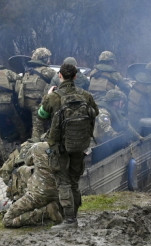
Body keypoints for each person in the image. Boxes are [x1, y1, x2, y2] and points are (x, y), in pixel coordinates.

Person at [37, 62, 98, 229]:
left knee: (63, 181)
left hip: (59, 147)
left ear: (60, 76)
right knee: (74, 181)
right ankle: (74, 215)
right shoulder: (85, 95)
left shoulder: (53, 97)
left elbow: (41, 115)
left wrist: (47, 95)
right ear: (76, 76)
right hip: (80, 144)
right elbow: (96, 112)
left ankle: (70, 220)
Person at [3, 141, 62, 228]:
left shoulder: (37, 146)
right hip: (59, 192)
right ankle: (55, 209)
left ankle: (45, 212)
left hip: (38, 194)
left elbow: (28, 162)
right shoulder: (62, 148)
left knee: (7, 220)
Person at [17, 47, 56, 141]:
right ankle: (35, 148)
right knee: (38, 130)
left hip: (27, 103)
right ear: (44, 59)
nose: (49, 60)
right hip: (38, 105)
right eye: (48, 58)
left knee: (36, 126)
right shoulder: (47, 71)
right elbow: (60, 81)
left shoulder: (27, 72)